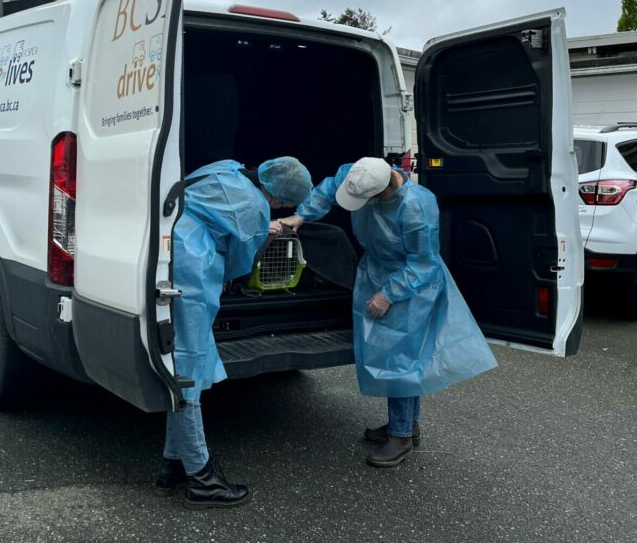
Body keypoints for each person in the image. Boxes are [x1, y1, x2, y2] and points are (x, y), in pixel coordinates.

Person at [280, 157, 497, 468]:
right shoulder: (360, 173)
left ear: (382, 191)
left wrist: (388, 295)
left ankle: (400, 437)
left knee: (400, 361)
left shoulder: (416, 207)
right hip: (377, 270)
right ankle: (407, 424)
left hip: (408, 285)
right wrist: (301, 216)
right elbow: (330, 188)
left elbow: (423, 263)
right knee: (396, 358)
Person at [156, 156, 312, 507]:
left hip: (168, 250)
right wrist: (262, 232)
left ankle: (174, 464)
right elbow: (242, 261)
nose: (283, 207)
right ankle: (201, 478)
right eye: (285, 203)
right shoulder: (255, 208)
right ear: (279, 198)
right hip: (193, 271)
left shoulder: (225, 168)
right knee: (188, 372)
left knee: (180, 366)